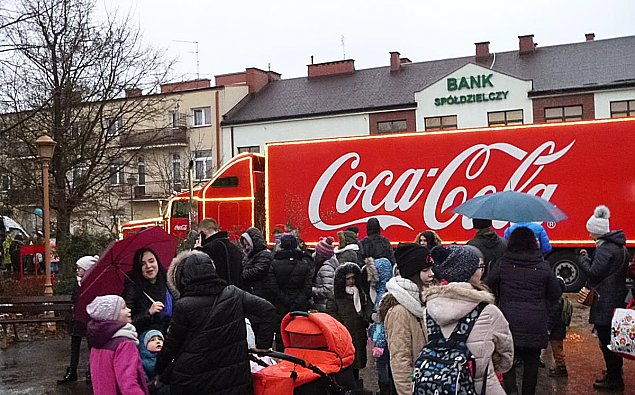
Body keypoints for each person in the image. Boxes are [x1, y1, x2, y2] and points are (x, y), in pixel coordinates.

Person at [157, 250, 275, 394]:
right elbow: (267, 309)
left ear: (184, 277)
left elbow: (171, 345)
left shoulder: (184, 305)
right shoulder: (233, 294)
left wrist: (159, 370)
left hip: (194, 380)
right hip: (234, 380)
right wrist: (263, 345)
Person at [425, 245, 514, 394]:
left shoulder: (428, 310)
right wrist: (486, 367)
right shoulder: (488, 311)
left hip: (440, 386)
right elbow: (507, 356)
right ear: (469, 273)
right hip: (482, 387)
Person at [486, 226, 561, 395]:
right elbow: (555, 293)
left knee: (508, 359)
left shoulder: (503, 264)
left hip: (508, 321)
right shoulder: (543, 266)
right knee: (532, 361)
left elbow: (489, 285)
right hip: (536, 321)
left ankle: (511, 391)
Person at [578, 205, 629, 391]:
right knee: (612, 340)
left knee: (607, 340)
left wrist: (583, 258)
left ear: (597, 231)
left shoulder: (605, 249)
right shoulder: (619, 247)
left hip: (605, 301)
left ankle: (614, 378)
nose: (589, 234)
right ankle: (614, 373)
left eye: (590, 231)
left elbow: (594, 273)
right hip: (615, 298)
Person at [379, 243, 434, 395]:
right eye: (425, 270)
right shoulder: (399, 310)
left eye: (431, 269)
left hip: (425, 382)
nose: (431, 274)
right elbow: (400, 360)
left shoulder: (421, 300)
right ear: (412, 273)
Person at [86, 295, 148, 395]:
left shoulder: (97, 341)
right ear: (112, 315)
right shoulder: (125, 344)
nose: (129, 310)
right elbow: (128, 383)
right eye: (123, 308)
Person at [263, 233, 313, 351]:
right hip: (300, 305)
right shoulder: (304, 264)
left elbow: (272, 287)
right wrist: (298, 301)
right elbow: (307, 287)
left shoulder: (274, 264)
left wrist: (284, 300)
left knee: (282, 334)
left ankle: (283, 362)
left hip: (281, 305)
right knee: (299, 335)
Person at [326, 262, 372, 386]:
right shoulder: (335, 296)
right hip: (343, 335)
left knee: (357, 363)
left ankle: (356, 386)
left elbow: (364, 310)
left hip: (358, 333)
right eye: (348, 278)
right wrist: (341, 326)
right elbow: (331, 313)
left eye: (353, 278)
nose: (351, 281)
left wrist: (364, 320)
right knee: (346, 365)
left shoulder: (360, 293)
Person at [57, 255, 98, 385]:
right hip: (77, 318)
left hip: (89, 318)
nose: (77, 270)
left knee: (92, 346)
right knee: (75, 345)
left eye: (79, 268)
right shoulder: (78, 283)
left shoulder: (93, 283)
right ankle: (72, 370)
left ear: (86, 269)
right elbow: (74, 299)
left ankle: (91, 370)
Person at [123, 248, 173, 334]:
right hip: (147, 340)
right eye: (142, 264)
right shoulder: (132, 288)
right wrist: (148, 313)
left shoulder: (168, 280)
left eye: (151, 261)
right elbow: (128, 322)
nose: (148, 266)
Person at [364, 257, 394, 395]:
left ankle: (385, 390)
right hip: (384, 338)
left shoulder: (382, 295)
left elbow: (382, 323)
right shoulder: (386, 291)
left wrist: (379, 345)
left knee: (383, 366)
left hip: (381, 341)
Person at [196, 218, 243, 286]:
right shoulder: (234, 248)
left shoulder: (208, 249)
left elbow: (199, 273)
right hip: (235, 292)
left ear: (202, 234)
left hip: (217, 292)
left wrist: (197, 250)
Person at [544, 276, 569, 377]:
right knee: (558, 349)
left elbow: (552, 318)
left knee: (557, 351)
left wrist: (548, 329)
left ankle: (561, 368)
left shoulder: (554, 303)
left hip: (556, 332)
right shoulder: (561, 301)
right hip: (559, 330)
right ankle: (560, 366)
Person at [239, 227, 272, 299]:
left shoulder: (264, 254)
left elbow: (258, 271)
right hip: (253, 292)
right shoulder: (249, 255)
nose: (247, 247)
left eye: (248, 244)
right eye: (245, 245)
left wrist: (241, 274)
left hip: (260, 293)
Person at [311, 236, 340, 312]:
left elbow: (328, 290)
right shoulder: (324, 265)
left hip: (324, 306)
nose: (315, 255)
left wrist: (311, 290)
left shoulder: (326, 268)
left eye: (317, 253)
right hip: (322, 305)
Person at [138, 330, 165, 394]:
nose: (158, 342)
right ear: (144, 345)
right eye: (152, 340)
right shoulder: (142, 363)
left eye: (160, 339)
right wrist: (154, 384)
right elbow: (143, 383)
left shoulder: (169, 358)